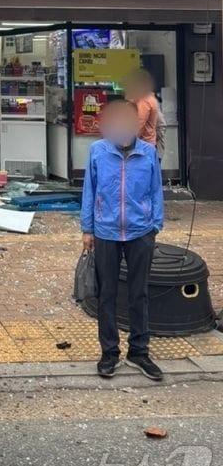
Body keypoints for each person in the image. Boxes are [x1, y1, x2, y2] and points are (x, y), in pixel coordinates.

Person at [80, 100, 164, 381]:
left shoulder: (148, 153)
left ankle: (139, 351)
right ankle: (109, 353)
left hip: (141, 232)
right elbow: (89, 191)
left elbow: (156, 191)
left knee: (139, 293)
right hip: (106, 232)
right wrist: (87, 228)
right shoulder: (97, 152)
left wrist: (155, 225)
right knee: (108, 295)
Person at [124, 69, 158, 147]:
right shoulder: (148, 97)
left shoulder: (144, 100)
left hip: (143, 145)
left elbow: (139, 124)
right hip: (147, 143)